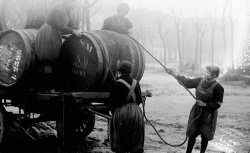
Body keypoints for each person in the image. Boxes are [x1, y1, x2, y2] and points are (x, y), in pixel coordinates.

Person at [166, 65, 224, 153]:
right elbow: (186, 82)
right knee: (192, 134)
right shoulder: (199, 81)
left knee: (205, 137)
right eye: (205, 71)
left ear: (214, 75)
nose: (204, 73)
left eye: (207, 72)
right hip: (196, 112)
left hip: (208, 115)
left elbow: (218, 104)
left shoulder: (218, 88)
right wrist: (174, 74)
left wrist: (205, 104)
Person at [35, 0, 82, 74]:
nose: (75, 5)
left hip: (53, 33)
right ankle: (45, 79)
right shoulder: (59, 9)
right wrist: (74, 32)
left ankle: (45, 77)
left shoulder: (67, 10)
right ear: (69, 2)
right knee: (48, 58)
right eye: (75, 2)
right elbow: (61, 26)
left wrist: (77, 29)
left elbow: (71, 23)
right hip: (48, 33)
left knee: (51, 58)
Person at [109, 60, 144, 153]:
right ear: (131, 71)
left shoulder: (115, 84)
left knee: (120, 142)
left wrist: (115, 114)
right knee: (136, 142)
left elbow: (112, 103)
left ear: (119, 71)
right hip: (136, 113)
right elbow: (139, 100)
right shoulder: (136, 83)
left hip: (121, 113)